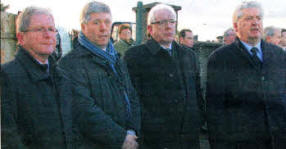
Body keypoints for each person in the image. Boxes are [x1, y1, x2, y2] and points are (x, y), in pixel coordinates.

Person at [59, 1, 140, 149]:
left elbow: (131, 96)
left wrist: (132, 130)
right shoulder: (70, 64)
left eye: (107, 22)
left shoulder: (116, 58)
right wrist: (121, 138)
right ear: (83, 27)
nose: (103, 28)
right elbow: (84, 110)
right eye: (96, 22)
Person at [206, 1, 286, 149]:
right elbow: (215, 111)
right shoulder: (220, 59)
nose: (255, 23)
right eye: (249, 19)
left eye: (258, 18)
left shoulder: (279, 55)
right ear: (236, 26)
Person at [124, 4, 203, 149]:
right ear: (149, 29)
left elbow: (197, 93)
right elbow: (129, 98)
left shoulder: (189, 55)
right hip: (154, 139)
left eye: (172, 22)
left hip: (187, 138)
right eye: (161, 22)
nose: (168, 27)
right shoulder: (135, 57)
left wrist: (198, 120)